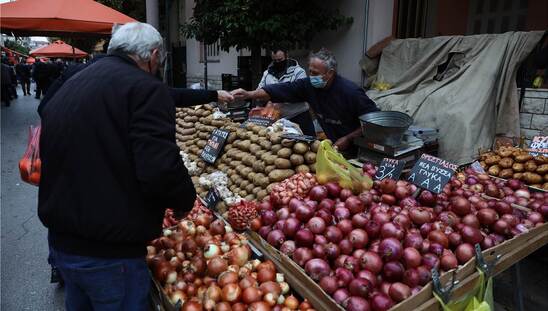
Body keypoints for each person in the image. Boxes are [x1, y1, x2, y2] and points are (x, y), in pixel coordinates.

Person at [39, 22, 196, 310]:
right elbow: (159, 168)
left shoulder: (73, 81)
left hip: (64, 243)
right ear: (152, 55)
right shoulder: (146, 88)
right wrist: (185, 199)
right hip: (110, 253)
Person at [232, 48, 379, 151]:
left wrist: (348, 138)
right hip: (335, 148)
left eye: (315, 73)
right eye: (310, 71)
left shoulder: (351, 92)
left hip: (360, 150)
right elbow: (279, 89)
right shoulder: (308, 85)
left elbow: (375, 121)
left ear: (330, 73)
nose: (311, 76)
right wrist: (249, 94)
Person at [257, 48, 315, 136]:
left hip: (299, 117)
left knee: (307, 146)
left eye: (280, 60)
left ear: (286, 56)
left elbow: (300, 93)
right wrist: (267, 101)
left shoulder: (298, 72)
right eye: (274, 60)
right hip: (278, 120)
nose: (277, 62)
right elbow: (260, 91)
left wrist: (273, 96)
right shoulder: (267, 74)